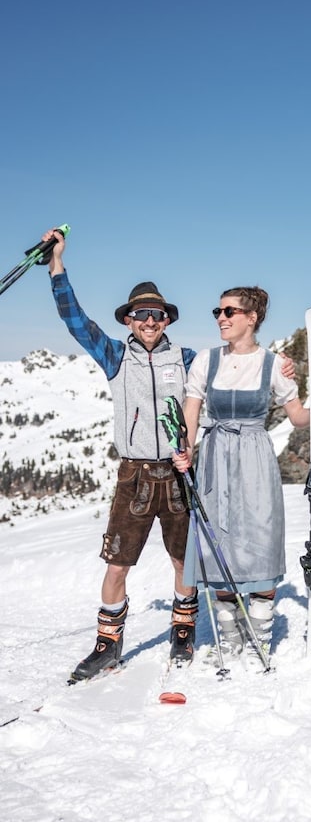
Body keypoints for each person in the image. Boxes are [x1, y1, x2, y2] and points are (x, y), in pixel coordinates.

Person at [42, 228, 198, 681]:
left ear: (167, 319)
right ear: (128, 320)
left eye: (156, 314)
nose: (149, 321)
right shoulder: (114, 355)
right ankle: (107, 645)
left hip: (177, 472)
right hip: (133, 474)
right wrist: (57, 265)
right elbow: (76, 321)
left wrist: (280, 366)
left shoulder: (186, 359)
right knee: (118, 562)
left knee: (183, 559)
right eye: (140, 315)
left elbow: (231, 366)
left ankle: (183, 629)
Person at [176, 285, 311, 662]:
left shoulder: (274, 364)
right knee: (220, 545)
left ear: (252, 317)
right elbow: (192, 410)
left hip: (256, 460)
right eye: (218, 311)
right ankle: (231, 638)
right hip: (215, 457)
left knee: (261, 539)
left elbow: (295, 416)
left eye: (230, 312)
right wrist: (186, 448)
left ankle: (259, 636)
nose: (221, 318)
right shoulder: (206, 361)